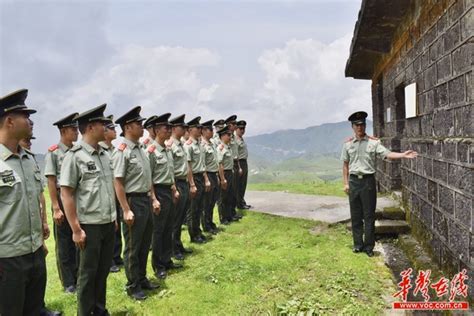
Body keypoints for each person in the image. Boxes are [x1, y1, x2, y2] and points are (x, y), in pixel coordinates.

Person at [60, 104, 117, 315]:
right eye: (103, 124)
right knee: (87, 274)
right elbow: (66, 193)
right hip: (89, 226)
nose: (106, 128)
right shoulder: (75, 156)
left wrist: (113, 217)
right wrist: (76, 229)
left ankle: (99, 309)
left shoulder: (103, 154)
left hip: (107, 223)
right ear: (92, 127)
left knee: (102, 272)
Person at [341, 111, 417, 257]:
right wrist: (346, 183)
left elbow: (387, 154)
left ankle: (369, 247)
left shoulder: (374, 143)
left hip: (368, 182)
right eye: (357, 125)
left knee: (369, 216)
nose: (360, 127)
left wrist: (402, 155)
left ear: (365, 125)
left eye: (362, 124)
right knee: (356, 215)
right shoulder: (348, 144)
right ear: (352, 127)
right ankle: (358, 245)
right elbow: (345, 165)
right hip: (354, 182)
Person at [0, 89, 47, 315]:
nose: (31, 121)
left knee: (34, 310)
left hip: (35, 253)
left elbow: (35, 200)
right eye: (25, 116)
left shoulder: (29, 160)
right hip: (7, 261)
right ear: (9, 121)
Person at [112, 107, 159, 300]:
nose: (142, 127)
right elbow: (118, 182)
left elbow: (149, 178)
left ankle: (142, 278)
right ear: (128, 127)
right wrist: (125, 209)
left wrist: (153, 198)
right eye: (139, 124)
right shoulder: (122, 151)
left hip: (145, 198)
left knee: (145, 242)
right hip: (133, 200)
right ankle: (133, 285)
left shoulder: (141, 149)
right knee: (133, 245)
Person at [44, 112, 80, 293]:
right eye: (73, 129)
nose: (77, 132)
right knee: (64, 241)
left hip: (75, 197)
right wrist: (56, 207)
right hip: (60, 197)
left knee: (78, 237)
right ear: (64, 130)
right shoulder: (54, 152)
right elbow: (51, 180)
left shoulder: (76, 151)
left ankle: (77, 275)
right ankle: (68, 282)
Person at [147, 113, 182, 279]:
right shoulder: (151, 151)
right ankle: (158, 265)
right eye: (165, 128)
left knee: (169, 226)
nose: (169, 130)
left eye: (170, 127)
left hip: (168, 189)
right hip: (158, 191)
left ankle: (167, 259)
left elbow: (170, 173)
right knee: (158, 230)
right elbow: (149, 178)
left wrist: (174, 188)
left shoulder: (167, 149)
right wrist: (153, 198)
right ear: (156, 130)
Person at [99, 115, 124, 273]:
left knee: (118, 226)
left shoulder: (114, 150)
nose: (115, 131)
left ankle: (116, 256)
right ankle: (108, 261)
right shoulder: (99, 150)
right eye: (112, 128)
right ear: (105, 131)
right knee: (107, 229)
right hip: (104, 194)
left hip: (116, 193)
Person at [167, 114, 193, 260]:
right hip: (176, 182)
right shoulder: (170, 145)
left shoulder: (181, 144)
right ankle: (172, 248)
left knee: (181, 215)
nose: (184, 129)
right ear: (174, 128)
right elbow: (170, 169)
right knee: (175, 219)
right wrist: (174, 187)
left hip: (184, 182)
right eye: (182, 127)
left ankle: (177, 244)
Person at [184, 116, 211, 243]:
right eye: (197, 127)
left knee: (200, 207)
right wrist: (192, 184)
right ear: (190, 129)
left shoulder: (200, 144)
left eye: (201, 127)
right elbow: (188, 166)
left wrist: (206, 179)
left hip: (201, 176)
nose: (200, 129)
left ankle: (198, 231)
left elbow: (202, 164)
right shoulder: (188, 146)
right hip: (193, 177)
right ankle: (193, 235)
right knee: (193, 209)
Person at [201, 120, 220, 234]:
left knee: (212, 201)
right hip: (207, 174)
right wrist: (206, 179)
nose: (212, 132)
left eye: (212, 129)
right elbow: (202, 164)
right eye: (209, 130)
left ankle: (210, 222)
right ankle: (206, 225)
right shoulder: (202, 145)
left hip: (214, 174)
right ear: (203, 131)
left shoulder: (211, 143)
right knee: (206, 202)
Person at [224, 115, 242, 221]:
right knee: (227, 194)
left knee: (233, 190)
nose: (236, 125)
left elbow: (236, 153)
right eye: (234, 124)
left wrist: (238, 166)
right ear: (229, 125)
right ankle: (227, 214)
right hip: (227, 165)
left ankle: (232, 212)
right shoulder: (225, 136)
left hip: (234, 163)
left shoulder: (234, 136)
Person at [216, 125, 235, 225]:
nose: (230, 136)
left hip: (230, 172)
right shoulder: (220, 148)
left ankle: (229, 216)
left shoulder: (228, 147)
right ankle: (223, 218)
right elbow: (220, 164)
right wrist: (222, 179)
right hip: (224, 174)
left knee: (229, 195)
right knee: (222, 197)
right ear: (222, 136)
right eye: (228, 134)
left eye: (230, 134)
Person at [235, 120, 251, 210]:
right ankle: (239, 203)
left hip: (244, 162)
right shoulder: (235, 139)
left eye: (243, 128)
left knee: (243, 184)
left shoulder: (241, 139)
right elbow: (236, 154)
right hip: (239, 162)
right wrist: (239, 167)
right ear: (236, 129)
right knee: (239, 185)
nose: (242, 130)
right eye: (240, 128)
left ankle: (242, 201)